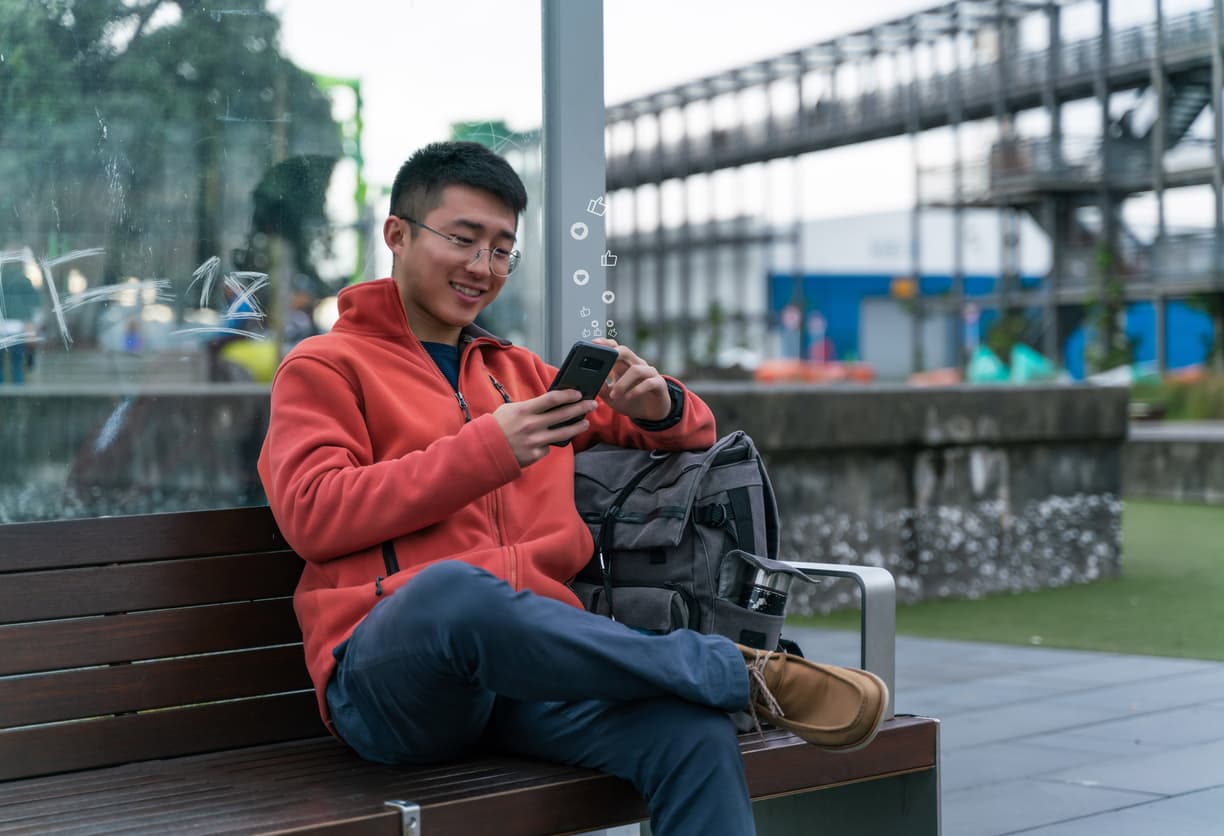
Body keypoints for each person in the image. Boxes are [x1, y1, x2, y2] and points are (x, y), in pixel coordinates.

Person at [258, 141, 887, 836]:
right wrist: (489, 448)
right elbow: (312, 515)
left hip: (529, 681)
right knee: (449, 590)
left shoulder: (522, 375)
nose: (482, 267)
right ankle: (729, 669)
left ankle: (724, 679)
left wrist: (655, 404)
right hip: (391, 687)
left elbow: (690, 433)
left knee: (692, 735)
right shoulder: (323, 367)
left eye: (502, 250)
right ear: (397, 235)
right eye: (463, 240)